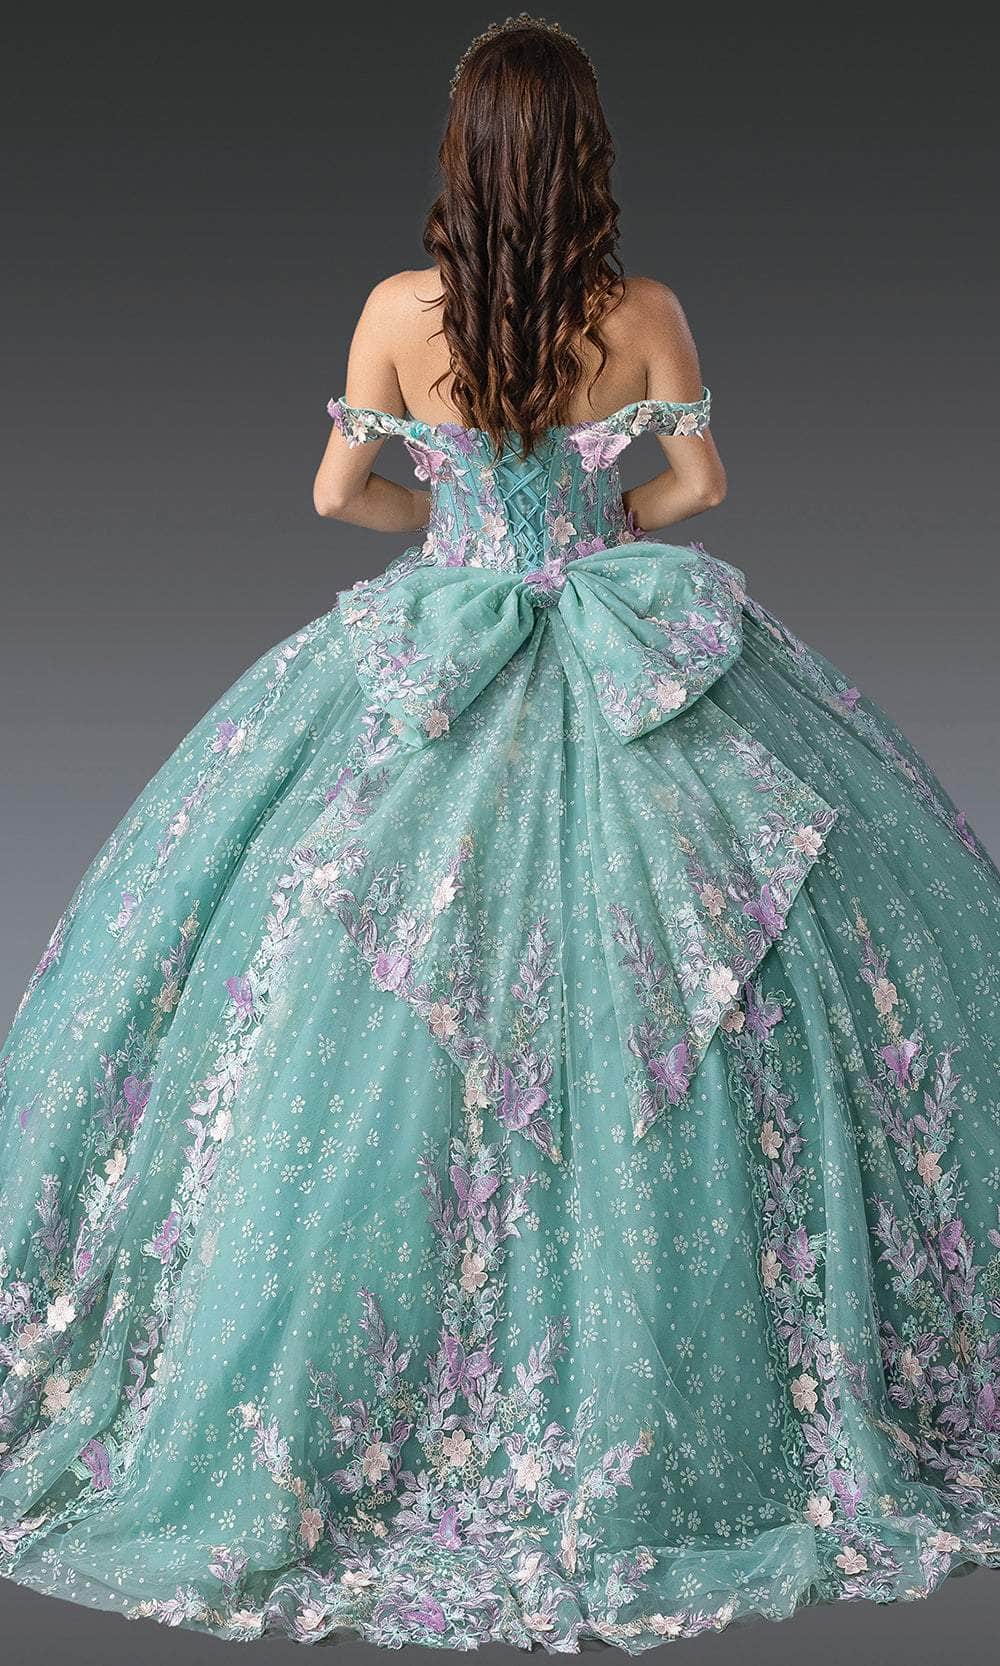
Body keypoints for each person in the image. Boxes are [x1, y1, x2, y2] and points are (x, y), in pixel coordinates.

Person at [2, 13, 999, 1653]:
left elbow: (339, 496)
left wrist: (463, 527)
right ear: (591, 160)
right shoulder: (645, 312)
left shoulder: (399, 313)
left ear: (460, 161)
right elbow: (698, 488)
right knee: (708, 990)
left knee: (340, 1010)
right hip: (625, 654)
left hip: (443, 643)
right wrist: (591, 519)